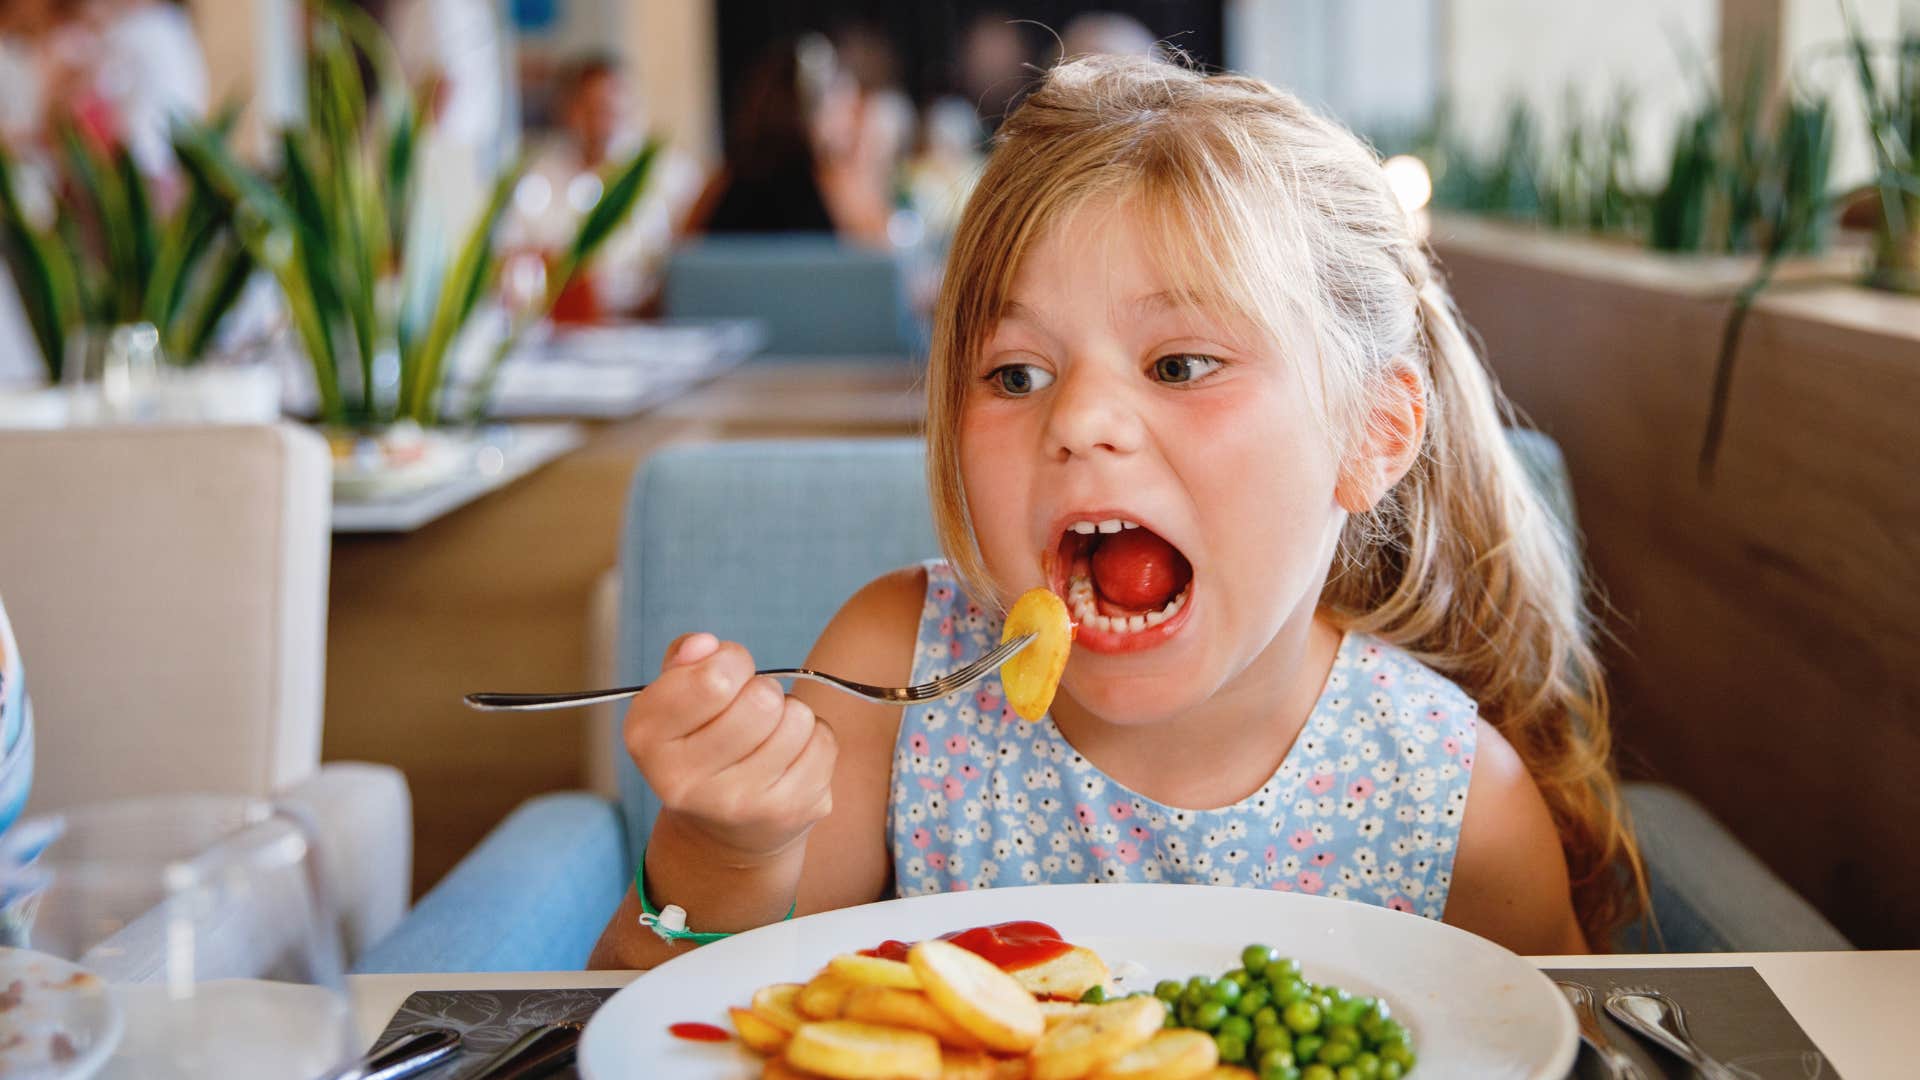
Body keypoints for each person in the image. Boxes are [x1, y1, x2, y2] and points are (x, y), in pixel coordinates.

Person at [590, 55, 1643, 969]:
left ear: (1371, 434)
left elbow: (1562, 1046)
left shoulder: (1451, 806)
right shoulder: (896, 678)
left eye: (1180, 364)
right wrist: (722, 852)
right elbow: (650, 1019)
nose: (1081, 419)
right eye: (1014, 374)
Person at [501, 54, 702, 318]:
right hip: (565, 327)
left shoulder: (669, 175)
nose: (605, 122)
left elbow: (690, 259)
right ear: (569, 110)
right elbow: (513, 258)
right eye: (593, 109)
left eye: (615, 109)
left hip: (650, 320)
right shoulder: (537, 181)